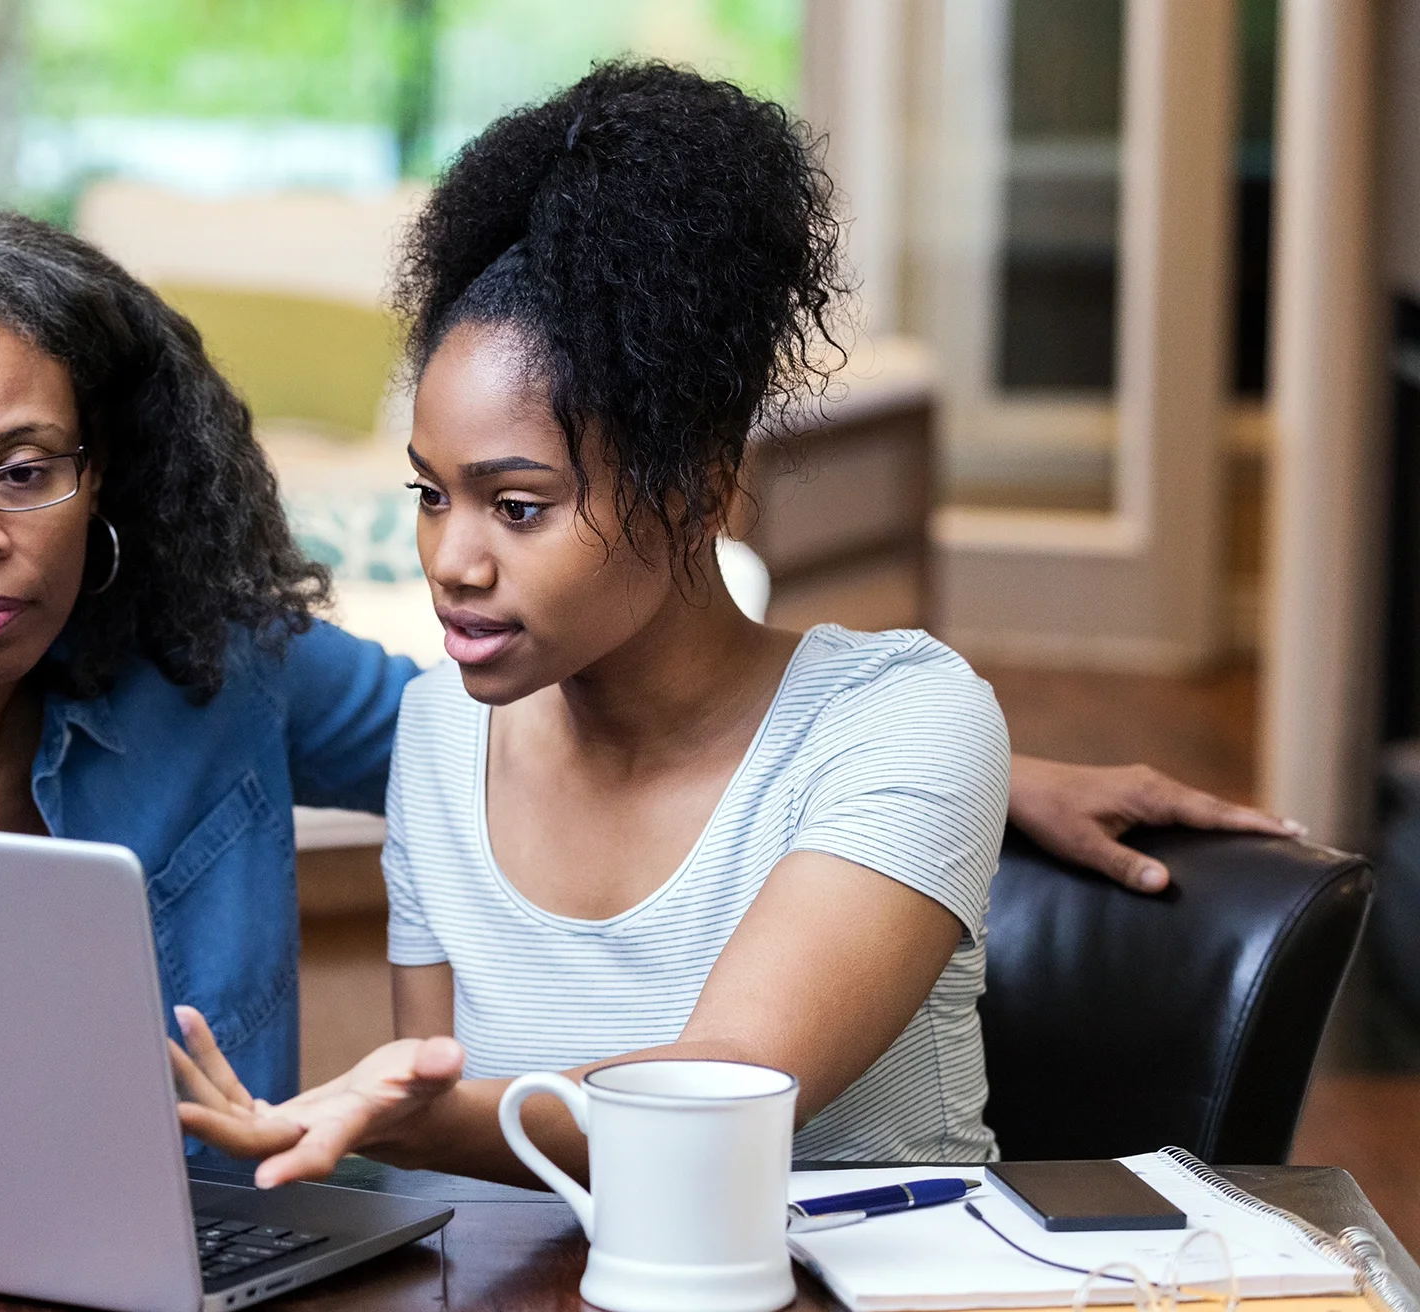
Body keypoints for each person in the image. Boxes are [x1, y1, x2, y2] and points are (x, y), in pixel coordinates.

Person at [0, 207, 1293, 1150]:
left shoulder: (212, 671)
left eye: (26, 469)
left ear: (105, 472)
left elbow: (540, 714)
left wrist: (958, 769)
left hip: (223, 1289)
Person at [170, 61, 1289, 1184]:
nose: (451, 562)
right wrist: (415, 1128)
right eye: (430, 494)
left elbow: (740, 1086)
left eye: (518, 507)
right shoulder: (440, 733)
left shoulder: (904, 719)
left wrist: (410, 1121)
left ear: (699, 489)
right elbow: (457, 1175)